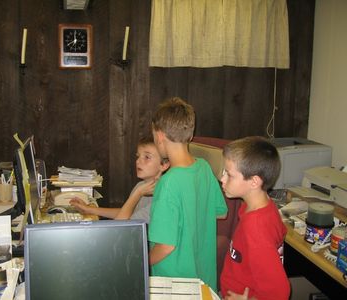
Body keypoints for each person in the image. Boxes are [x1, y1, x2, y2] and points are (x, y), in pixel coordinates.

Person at [148, 97, 228, 292]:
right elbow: (221, 212)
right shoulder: (203, 168)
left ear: (159, 136)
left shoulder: (167, 184)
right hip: (203, 282)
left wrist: (141, 263)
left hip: (175, 287)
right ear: (190, 136)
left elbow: (166, 246)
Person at [219, 136, 290, 300]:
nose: (222, 179)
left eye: (229, 175)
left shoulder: (256, 228)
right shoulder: (259, 206)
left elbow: (279, 293)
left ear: (254, 182)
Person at [70, 135, 170, 223]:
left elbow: (123, 225)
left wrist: (137, 194)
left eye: (147, 157)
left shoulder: (162, 196)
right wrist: (89, 210)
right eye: (138, 156)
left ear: (164, 165)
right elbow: (126, 212)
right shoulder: (140, 186)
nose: (138, 161)